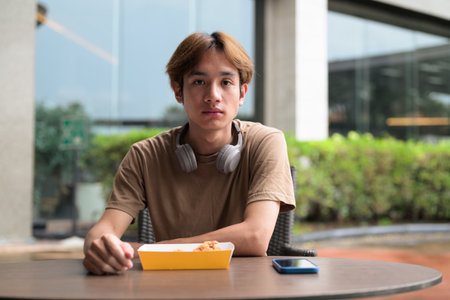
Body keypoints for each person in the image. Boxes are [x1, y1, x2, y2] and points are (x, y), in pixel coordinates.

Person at [83, 31, 295, 275]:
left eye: (226, 82)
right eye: (199, 82)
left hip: (245, 286)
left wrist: (155, 249)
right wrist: (99, 248)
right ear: (178, 92)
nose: (213, 96)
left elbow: (255, 236)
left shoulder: (266, 142)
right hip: (170, 287)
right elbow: (101, 233)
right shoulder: (144, 155)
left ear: (242, 94)